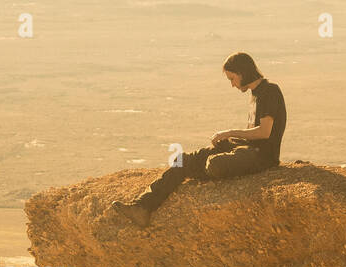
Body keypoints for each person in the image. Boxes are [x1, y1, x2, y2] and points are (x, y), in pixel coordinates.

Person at [112, 52, 286, 227]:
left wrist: (229, 133)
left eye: (232, 79)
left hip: (262, 156)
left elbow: (264, 132)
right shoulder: (255, 93)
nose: (232, 85)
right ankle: (142, 207)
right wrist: (228, 140)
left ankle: (197, 169)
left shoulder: (269, 91)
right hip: (245, 148)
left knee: (215, 164)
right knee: (182, 160)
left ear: (242, 73)